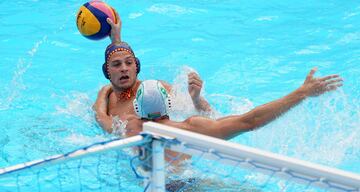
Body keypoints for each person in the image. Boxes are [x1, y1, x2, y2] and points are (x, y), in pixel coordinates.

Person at [115, 68, 342, 139]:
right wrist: (302, 93)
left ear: (136, 108)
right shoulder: (190, 128)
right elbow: (251, 120)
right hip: (189, 188)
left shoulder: (127, 128)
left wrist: (105, 92)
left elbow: (103, 115)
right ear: (168, 104)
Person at [93, 10, 212, 133]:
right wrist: (116, 40)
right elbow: (99, 118)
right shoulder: (108, 97)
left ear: (137, 67)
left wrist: (196, 99)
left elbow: (210, 117)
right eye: (117, 65)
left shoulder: (154, 91)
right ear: (106, 72)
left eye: (129, 63)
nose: (124, 68)